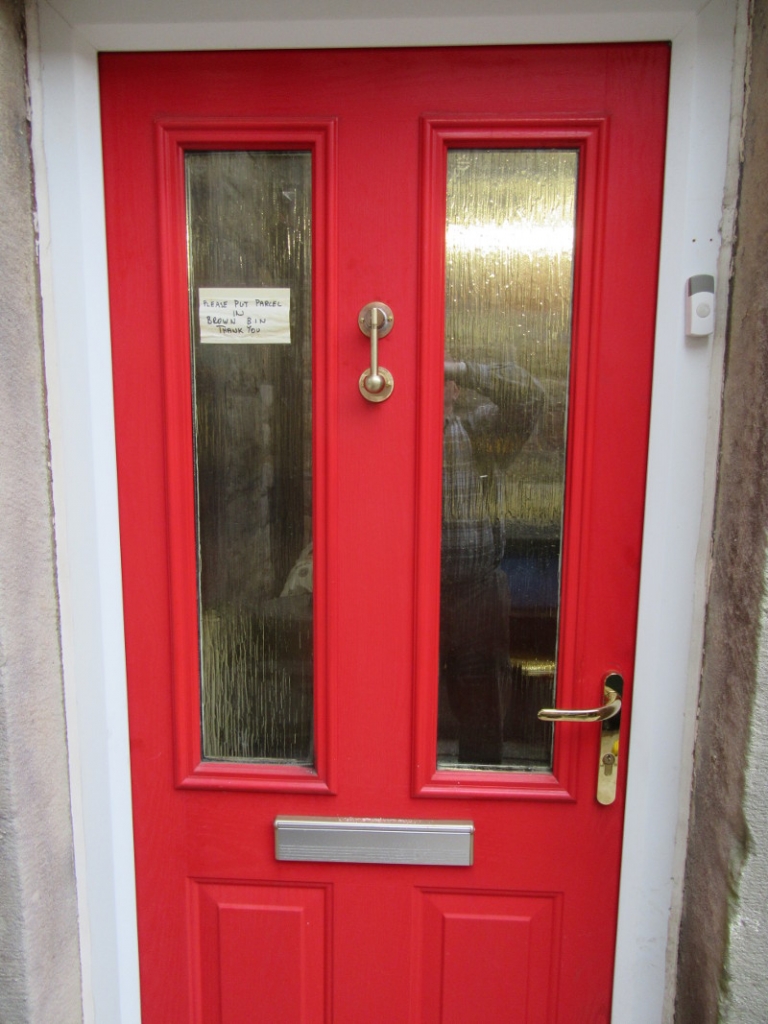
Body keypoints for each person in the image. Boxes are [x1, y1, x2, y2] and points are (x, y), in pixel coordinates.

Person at [440, 358, 543, 765]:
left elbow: (531, 397)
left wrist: (459, 367)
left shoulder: (479, 430)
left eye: (444, 380)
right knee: (394, 702)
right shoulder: (389, 434)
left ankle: (477, 788)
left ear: (456, 389)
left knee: (481, 709)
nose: (435, 385)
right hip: (405, 596)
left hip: (476, 594)